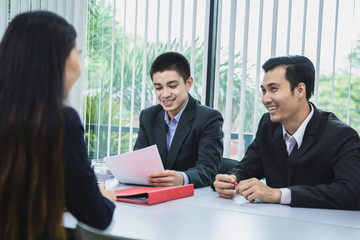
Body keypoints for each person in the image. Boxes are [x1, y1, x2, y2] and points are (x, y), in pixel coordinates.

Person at [0, 11, 116, 240]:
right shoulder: (62, 122)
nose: (80, 67)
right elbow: (96, 215)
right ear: (57, 60)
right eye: (78, 54)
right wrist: (106, 200)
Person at [214, 55, 360, 210]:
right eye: (264, 91)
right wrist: (230, 179)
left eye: (273, 89)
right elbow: (247, 167)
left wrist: (279, 195)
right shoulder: (268, 125)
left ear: (300, 90)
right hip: (276, 226)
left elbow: (353, 192)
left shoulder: (340, 135)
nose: (265, 99)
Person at [134, 52, 224, 188]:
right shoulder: (148, 116)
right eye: (158, 87)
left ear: (188, 83)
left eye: (172, 86)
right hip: (153, 196)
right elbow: (139, 162)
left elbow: (208, 169)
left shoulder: (209, 118)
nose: (164, 94)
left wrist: (183, 178)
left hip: (193, 200)